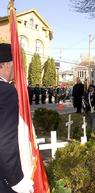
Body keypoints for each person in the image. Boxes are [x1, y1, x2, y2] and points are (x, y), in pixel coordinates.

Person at [0, 43, 33, 193]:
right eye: (16, 63)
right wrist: (15, 180)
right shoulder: (6, 92)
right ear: (5, 65)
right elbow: (5, 141)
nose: (18, 68)